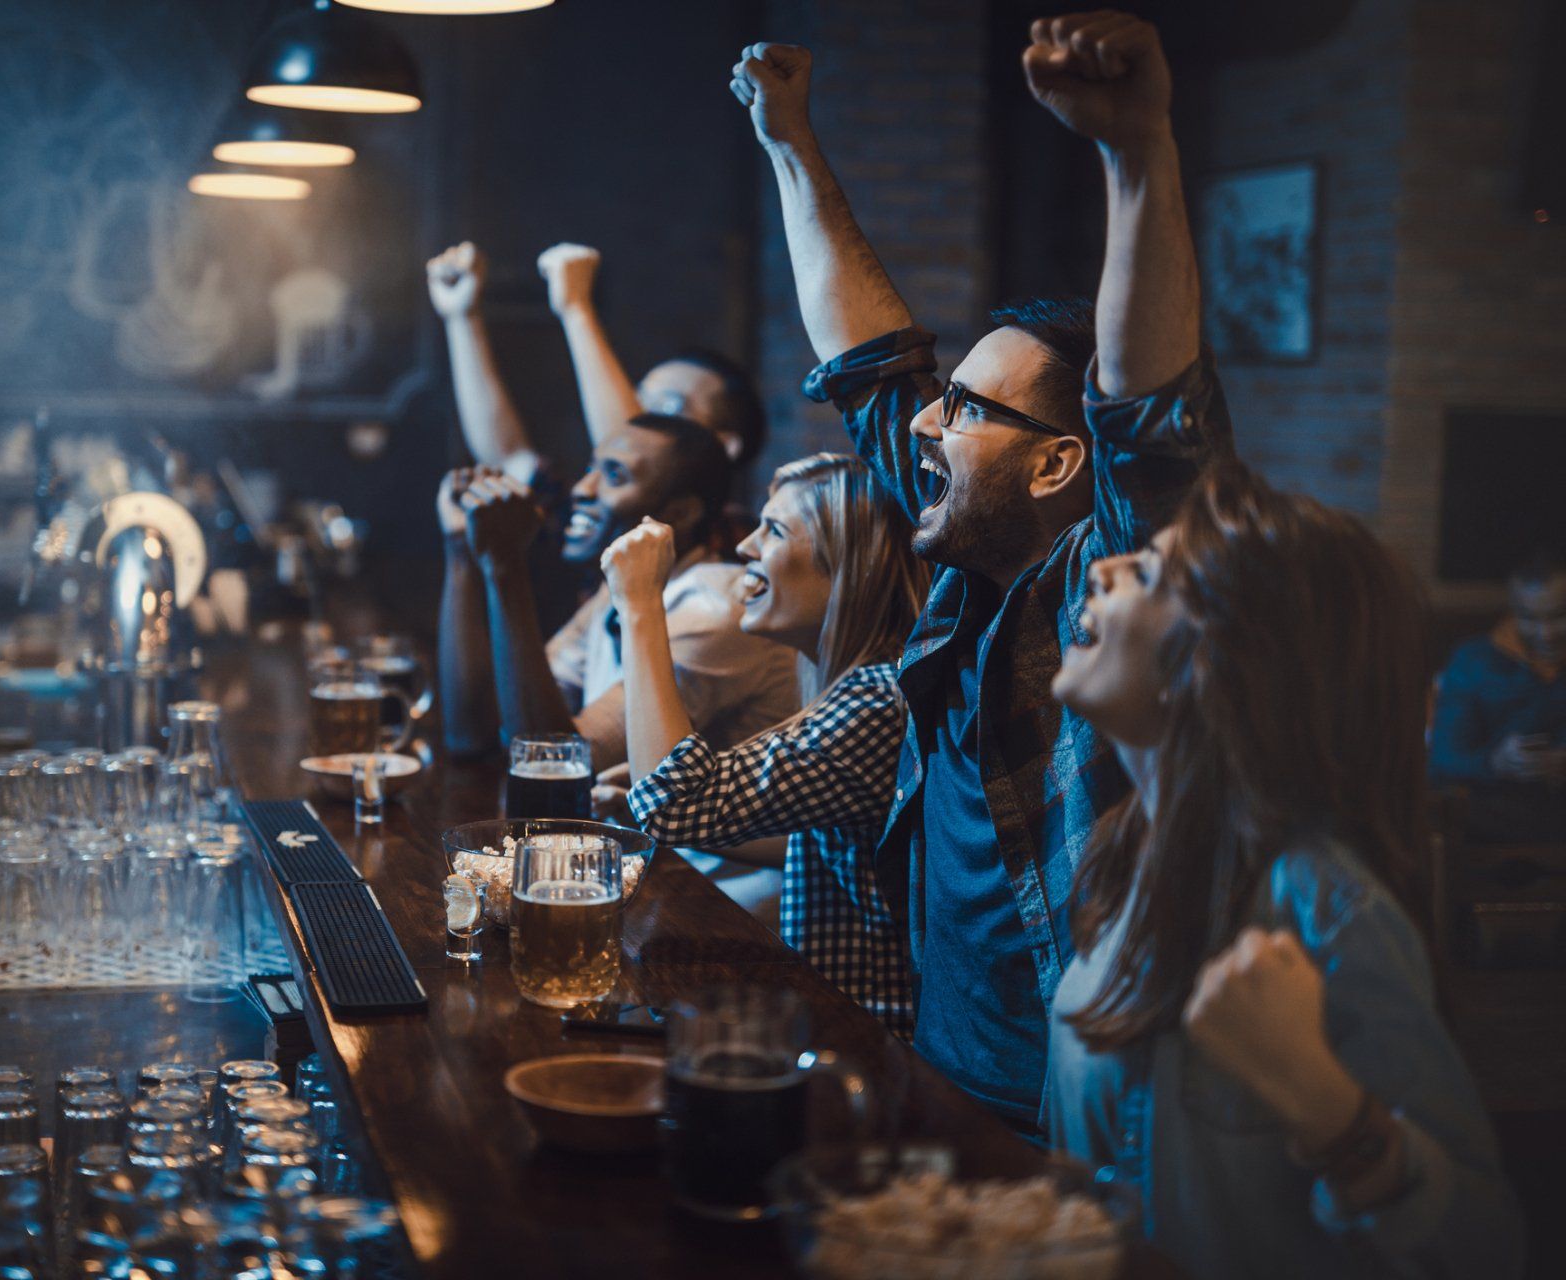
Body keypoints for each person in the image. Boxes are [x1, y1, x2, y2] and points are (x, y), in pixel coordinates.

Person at [735, 11, 1229, 1132]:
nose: (922, 424)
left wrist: (1135, 149)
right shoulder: (970, 574)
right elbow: (867, 363)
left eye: (963, 408)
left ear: (1060, 460)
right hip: (933, 1069)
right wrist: (789, 140)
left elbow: (1151, 423)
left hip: (1065, 1111)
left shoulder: (1111, 591)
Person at [1046, 462, 1523, 1278]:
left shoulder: (1321, 901)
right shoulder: (1121, 861)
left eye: (1151, 573)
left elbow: (1490, 1252)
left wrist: (1328, 1109)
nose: (1102, 567)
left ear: (1224, 661)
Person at [598, 454, 928, 1032]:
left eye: (773, 530)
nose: (746, 547)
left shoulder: (879, 697)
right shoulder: (852, 684)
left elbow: (673, 804)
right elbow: (824, 842)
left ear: (850, 567)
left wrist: (640, 605)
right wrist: (647, 798)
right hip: (827, 1021)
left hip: (864, 1043)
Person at [436, 415, 799, 771]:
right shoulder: (616, 591)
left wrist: (507, 566)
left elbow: (554, 761)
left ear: (681, 512)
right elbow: (473, 735)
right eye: (591, 467)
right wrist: (459, 549)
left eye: (614, 475)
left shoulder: (714, 610)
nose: (582, 488)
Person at [425, 241, 766, 476]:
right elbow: (509, 457)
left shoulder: (723, 546)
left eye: (667, 406)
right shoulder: (596, 508)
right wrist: (463, 318)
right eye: (637, 399)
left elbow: (630, 459)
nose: (637, 414)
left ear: (724, 446)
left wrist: (576, 309)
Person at [1429, 547, 1566, 842]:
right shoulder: (1474, 662)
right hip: (1489, 820)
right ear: (1513, 614)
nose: (1546, 634)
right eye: (1530, 618)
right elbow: (1443, 758)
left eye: (1558, 616)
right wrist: (1496, 763)